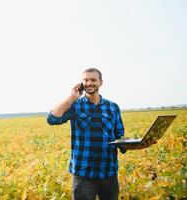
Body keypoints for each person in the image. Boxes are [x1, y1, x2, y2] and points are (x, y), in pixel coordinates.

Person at [46, 68, 154, 200]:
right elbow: (52, 119)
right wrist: (72, 97)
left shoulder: (113, 107)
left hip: (108, 172)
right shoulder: (75, 106)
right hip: (83, 173)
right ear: (81, 83)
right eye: (85, 80)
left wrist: (140, 144)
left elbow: (119, 137)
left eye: (93, 80)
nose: (89, 83)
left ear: (101, 82)